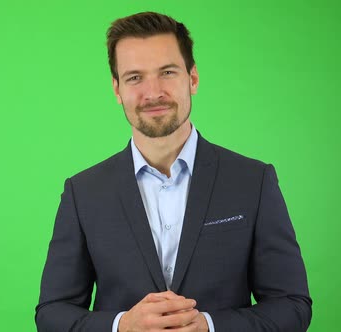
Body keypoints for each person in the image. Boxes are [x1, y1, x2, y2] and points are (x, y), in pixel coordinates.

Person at [35, 11, 311, 332]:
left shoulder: (254, 181)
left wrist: (208, 326)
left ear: (192, 78)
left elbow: (292, 305)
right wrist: (122, 325)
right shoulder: (83, 193)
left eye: (167, 72)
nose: (153, 93)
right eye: (135, 77)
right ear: (117, 89)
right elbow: (52, 313)